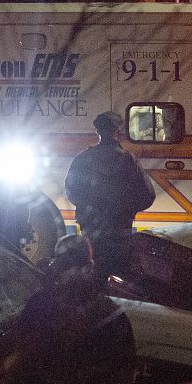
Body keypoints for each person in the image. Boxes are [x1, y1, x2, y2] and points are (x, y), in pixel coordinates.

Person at [0, 234, 135, 384]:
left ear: (55, 266)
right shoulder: (111, 313)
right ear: (90, 267)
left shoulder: (41, 306)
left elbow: (20, 355)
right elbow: (125, 375)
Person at [64, 111, 155, 281]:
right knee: (121, 281)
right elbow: (148, 196)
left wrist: (91, 207)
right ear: (117, 132)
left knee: (93, 278)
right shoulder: (129, 161)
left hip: (91, 234)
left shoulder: (82, 159)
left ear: (98, 131)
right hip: (120, 232)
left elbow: (71, 192)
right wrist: (127, 208)